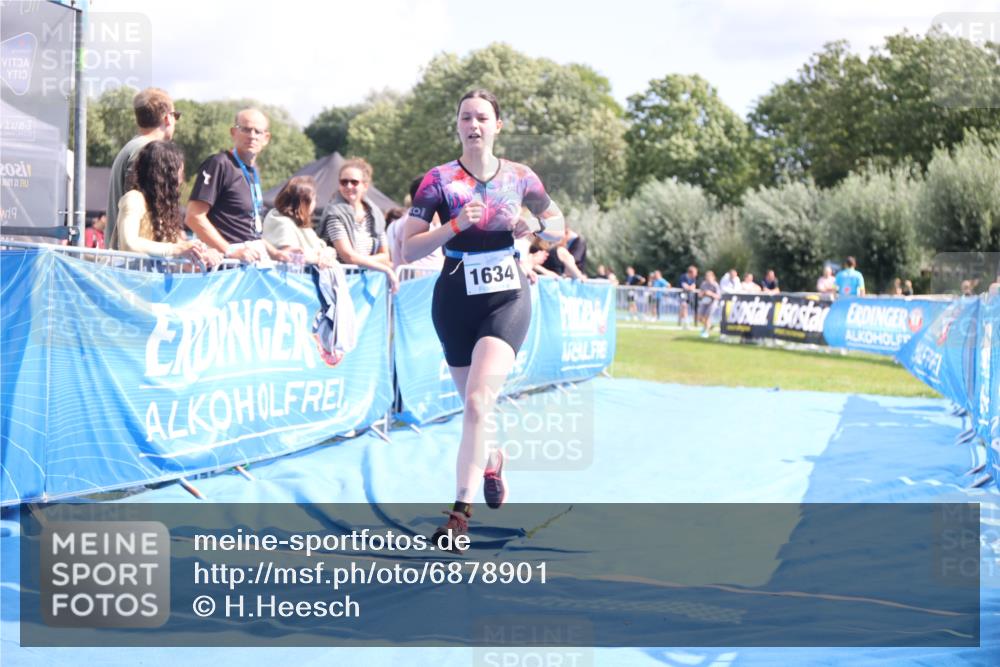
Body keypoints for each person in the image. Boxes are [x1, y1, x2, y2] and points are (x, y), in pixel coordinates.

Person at [400, 89, 565, 551]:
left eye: (483, 117)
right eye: (466, 117)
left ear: (498, 125)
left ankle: (458, 518)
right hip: (453, 300)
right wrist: (453, 225)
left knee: (476, 404)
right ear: (457, 126)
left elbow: (558, 226)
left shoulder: (519, 176)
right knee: (476, 412)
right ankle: (491, 456)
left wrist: (533, 228)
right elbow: (407, 248)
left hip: (506, 299)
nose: (474, 125)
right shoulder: (438, 180)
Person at [185, 108, 291, 264]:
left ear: (266, 138)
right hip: (224, 266)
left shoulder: (254, 171)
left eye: (258, 131)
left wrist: (276, 253)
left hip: (249, 262)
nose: (252, 136)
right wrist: (230, 251)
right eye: (246, 129)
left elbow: (248, 230)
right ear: (233, 132)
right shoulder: (219, 163)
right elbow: (194, 217)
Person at [108, 141, 219, 266]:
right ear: (165, 176)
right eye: (179, 174)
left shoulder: (161, 209)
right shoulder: (134, 199)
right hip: (125, 282)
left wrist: (202, 254)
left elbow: (178, 250)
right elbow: (129, 243)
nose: (181, 180)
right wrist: (176, 249)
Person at [106, 88, 180, 245]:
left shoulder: (132, 147)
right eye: (176, 116)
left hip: (125, 258)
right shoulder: (147, 152)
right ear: (168, 118)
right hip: (134, 260)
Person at [317, 157, 398, 292]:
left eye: (354, 182)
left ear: (365, 185)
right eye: (344, 182)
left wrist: (363, 261)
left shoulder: (376, 214)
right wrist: (383, 267)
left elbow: (385, 256)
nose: (348, 186)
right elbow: (348, 256)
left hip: (368, 283)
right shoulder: (334, 213)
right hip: (339, 284)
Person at [262, 175, 337, 267]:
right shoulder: (282, 223)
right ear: (303, 202)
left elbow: (323, 248)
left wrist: (327, 254)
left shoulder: (301, 225)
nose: (315, 204)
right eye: (314, 199)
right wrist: (319, 259)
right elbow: (292, 256)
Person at [387, 177, 445, 272]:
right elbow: (407, 255)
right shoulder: (411, 222)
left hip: (426, 282)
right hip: (417, 284)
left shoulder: (423, 220)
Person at [697, 270, 721, 337]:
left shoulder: (715, 285)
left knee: (707, 317)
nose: (708, 278)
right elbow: (699, 294)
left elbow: (718, 296)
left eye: (709, 277)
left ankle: (705, 332)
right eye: (707, 277)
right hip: (704, 302)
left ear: (713, 277)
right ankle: (709, 326)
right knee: (700, 318)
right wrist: (702, 294)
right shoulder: (703, 284)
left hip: (712, 303)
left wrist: (711, 294)